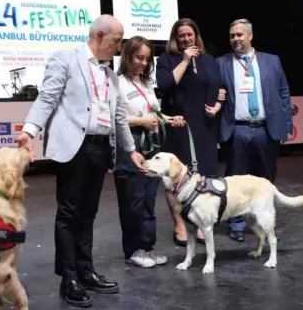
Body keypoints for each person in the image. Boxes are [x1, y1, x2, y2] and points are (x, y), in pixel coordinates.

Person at [14, 15, 147, 308]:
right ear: (100, 35)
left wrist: (131, 149)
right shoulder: (66, 59)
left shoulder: (110, 76)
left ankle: (85, 270)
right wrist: (29, 131)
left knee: (88, 213)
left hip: (100, 148)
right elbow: (47, 98)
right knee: (69, 212)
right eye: (116, 40)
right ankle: (69, 276)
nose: (119, 47)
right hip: (73, 148)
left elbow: (119, 116)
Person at [215, 18, 292, 242]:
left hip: (266, 129)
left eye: (239, 34)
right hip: (236, 130)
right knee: (235, 180)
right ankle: (236, 223)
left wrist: (286, 125)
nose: (235, 39)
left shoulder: (272, 61)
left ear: (250, 35)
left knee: (266, 179)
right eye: (232, 36)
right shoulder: (221, 63)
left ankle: (262, 218)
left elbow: (284, 93)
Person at [114, 36, 186, 268]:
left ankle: (147, 247)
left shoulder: (145, 83)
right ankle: (133, 250)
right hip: (129, 145)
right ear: (127, 56)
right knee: (132, 201)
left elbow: (154, 113)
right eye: (139, 57)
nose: (143, 63)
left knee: (148, 199)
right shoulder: (117, 83)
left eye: (146, 58)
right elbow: (116, 118)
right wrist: (141, 122)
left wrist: (168, 119)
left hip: (151, 143)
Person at [156, 18, 223, 247]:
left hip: (205, 125)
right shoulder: (166, 59)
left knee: (205, 176)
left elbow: (220, 88)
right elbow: (164, 85)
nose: (186, 38)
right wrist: (185, 60)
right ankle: (179, 225)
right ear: (175, 38)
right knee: (174, 179)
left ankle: (202, 222)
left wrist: (218, 106)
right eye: (181, 35)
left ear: (196, 36)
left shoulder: (210, 60)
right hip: (178, 124)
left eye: (189, 34)